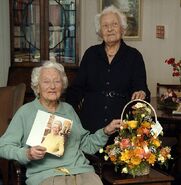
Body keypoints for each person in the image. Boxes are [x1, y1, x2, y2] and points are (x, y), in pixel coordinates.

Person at [0, 60, 121, 185]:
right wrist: (27, 153)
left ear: (62, 85)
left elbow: (87, 145)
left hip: (81, 172)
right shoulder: (25, 112)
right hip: (47, 175)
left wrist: (105, 131)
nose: (52, 86)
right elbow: (3, 147)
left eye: (57, 81)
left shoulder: (68, 109)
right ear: (37, 86)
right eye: (46, 81)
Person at [66, 5, 150, 136]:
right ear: (100, 31)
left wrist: (141, 93)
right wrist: (67, 113)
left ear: (122, 29)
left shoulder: (134, 56)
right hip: (90, 127)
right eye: (105, 26)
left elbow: (142, 88)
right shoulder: (90, 54)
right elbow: (77, 89)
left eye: (114, 24)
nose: (110, 29)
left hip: (122, 128)